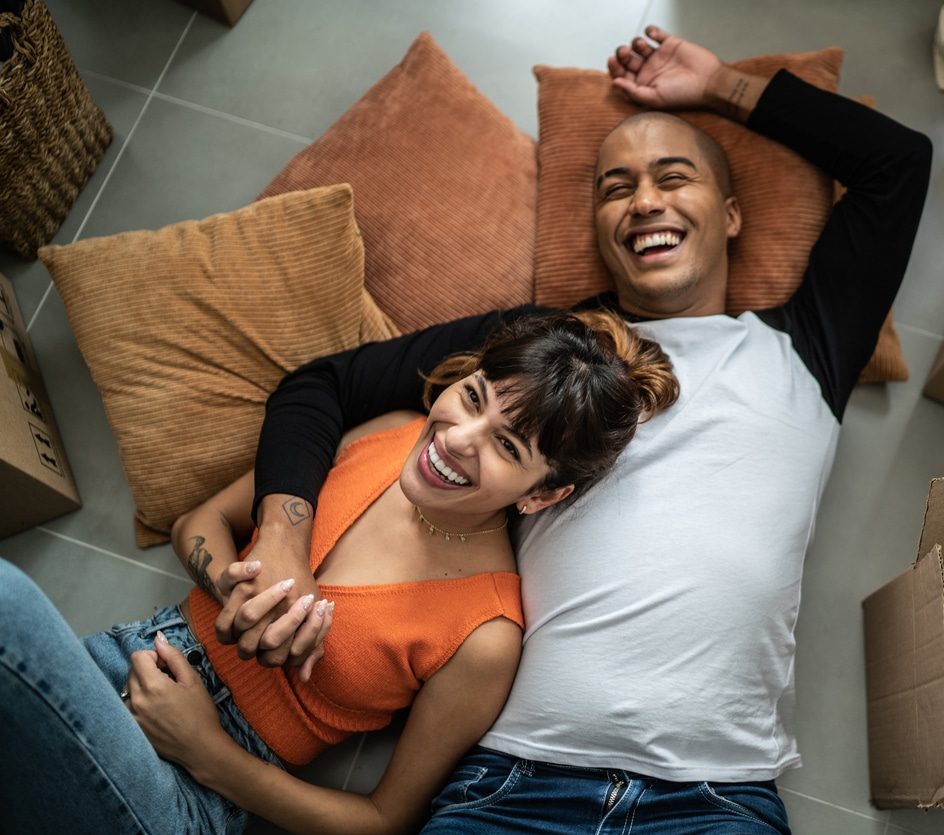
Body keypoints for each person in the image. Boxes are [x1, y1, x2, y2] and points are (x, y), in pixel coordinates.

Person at [212, 25, 932, 833]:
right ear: (598, 230)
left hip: (715, 797)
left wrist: (718, 87)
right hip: (513, 781)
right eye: (614, 188)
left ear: (731, 214)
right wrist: (281, 536)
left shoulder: (806, 346)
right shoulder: (544, 351)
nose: (644, 201)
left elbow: (898, 166)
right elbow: (322, 386)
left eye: (673, 177)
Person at [0, 310, 679, 835]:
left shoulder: (486, 633)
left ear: (541, 494)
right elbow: (197, 524)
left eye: (506, 445)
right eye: (473, 398)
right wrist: (243, 592)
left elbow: (385, 821)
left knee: (8, 605)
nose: (456, 439)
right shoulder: (386, 431)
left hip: (188, 791)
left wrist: (206, 749)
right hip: (115, 663)